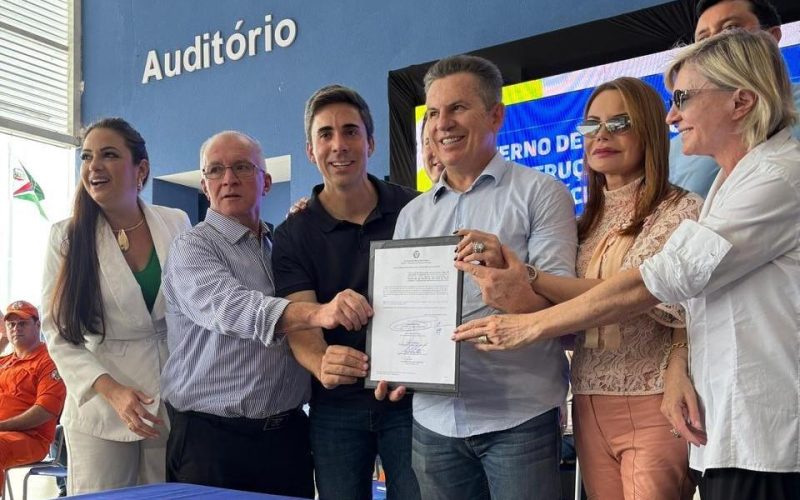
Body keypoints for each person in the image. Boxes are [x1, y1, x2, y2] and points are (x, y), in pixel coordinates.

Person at [454, 29, 800, 500]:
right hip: (678, 415)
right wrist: (518, 287)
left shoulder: (772, 178)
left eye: (683, 98)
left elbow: (658, 285)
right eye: (592, 124)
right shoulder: (729, 182)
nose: (674, 114)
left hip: (747, 429)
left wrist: (531, 321)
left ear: (740, 102)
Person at [457, 77, 702, 499]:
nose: (601, 135)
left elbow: (630, 294)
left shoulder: (681, 210)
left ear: (650, 130)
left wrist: (531, 277)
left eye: (620, 123)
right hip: (587, 401)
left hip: (653, 399)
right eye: (591, 125)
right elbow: (574, 318)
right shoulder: (581, 225)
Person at [390, 54, 578, 499]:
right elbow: (403, 311)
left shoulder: (542, 194)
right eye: (433, 112)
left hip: (519, 418)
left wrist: (510, 289)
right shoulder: (412, 215)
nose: (442, 124)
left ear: (496, 115)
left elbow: (564, 312)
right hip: (433, 422)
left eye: (458, 108)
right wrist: (394, 361)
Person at [161, 130, 374, 498]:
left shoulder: (284, 245)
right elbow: (232, 308)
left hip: (287, 440)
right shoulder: (191, 247)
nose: (229, 179)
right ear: (205, 185)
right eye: (216, 170)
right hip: (212, 443)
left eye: (242, 167)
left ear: (267, 182)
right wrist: (319, 314)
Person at [272, 85, 420, 500]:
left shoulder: (416, 210)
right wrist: (321, 363)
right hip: (336, 407)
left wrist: (421, 368)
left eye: (351, 131)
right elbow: (300, 322)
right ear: (310, 151)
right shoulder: (292, 234)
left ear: (370, 143)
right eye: (326, 134)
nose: (339, 145)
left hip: (410, 401)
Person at [40, 117, 190, 495]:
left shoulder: (176, 222)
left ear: (141, 169)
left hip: (170, 397)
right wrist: (112, 391)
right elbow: (56, 333)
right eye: (87, 156)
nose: (94, 166)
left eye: (109, 155)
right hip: (100, 406)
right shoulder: (66, 236)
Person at [669, 0, 800, 196]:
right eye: (703, 38)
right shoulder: (676, 148)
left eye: (730, 29)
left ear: (772, 37)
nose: (714, 44)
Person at [0, 301, 66, 494]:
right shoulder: (4, 361)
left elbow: (45, 411)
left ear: (38, 325)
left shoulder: (50, 360)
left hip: (31, 438)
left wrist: (2, 426)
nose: (16, 328)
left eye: (22, 323)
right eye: (11, 324)